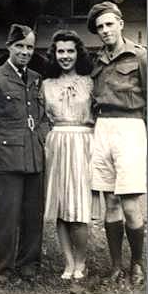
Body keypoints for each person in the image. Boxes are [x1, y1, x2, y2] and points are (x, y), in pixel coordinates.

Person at [0, 24, 48, 283]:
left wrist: (42, 137)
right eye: (20, 46)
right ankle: (2, 269)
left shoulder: (37, 78)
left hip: (34, 156)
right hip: (6, 158)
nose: (25, 52)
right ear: (9, 47)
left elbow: (42, 117)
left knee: (33, 215)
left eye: (29, 47)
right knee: (6, 216)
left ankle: (29, 266)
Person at [86, 1, 147, 285]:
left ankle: (137, 263)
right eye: (100, 27)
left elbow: (147, 99)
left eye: (109, 24)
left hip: (130, 127)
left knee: (131, 203)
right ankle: (116, 265)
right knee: (109, 201)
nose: (105, 30)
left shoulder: (139, 56)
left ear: (121, 23)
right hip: (103, 128)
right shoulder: (96, 61)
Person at [41, 30, 95, 280]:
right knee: (61, 206)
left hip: (83, 142)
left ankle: (82, 262)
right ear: (54, 54)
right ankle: (68, 262)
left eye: (70, 51)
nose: (65, 56)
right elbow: (43, 119)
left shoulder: (89, 81)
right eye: (60, 51)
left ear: (78, 53)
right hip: (57, 142)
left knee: (79, 206)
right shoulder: (46, 84)